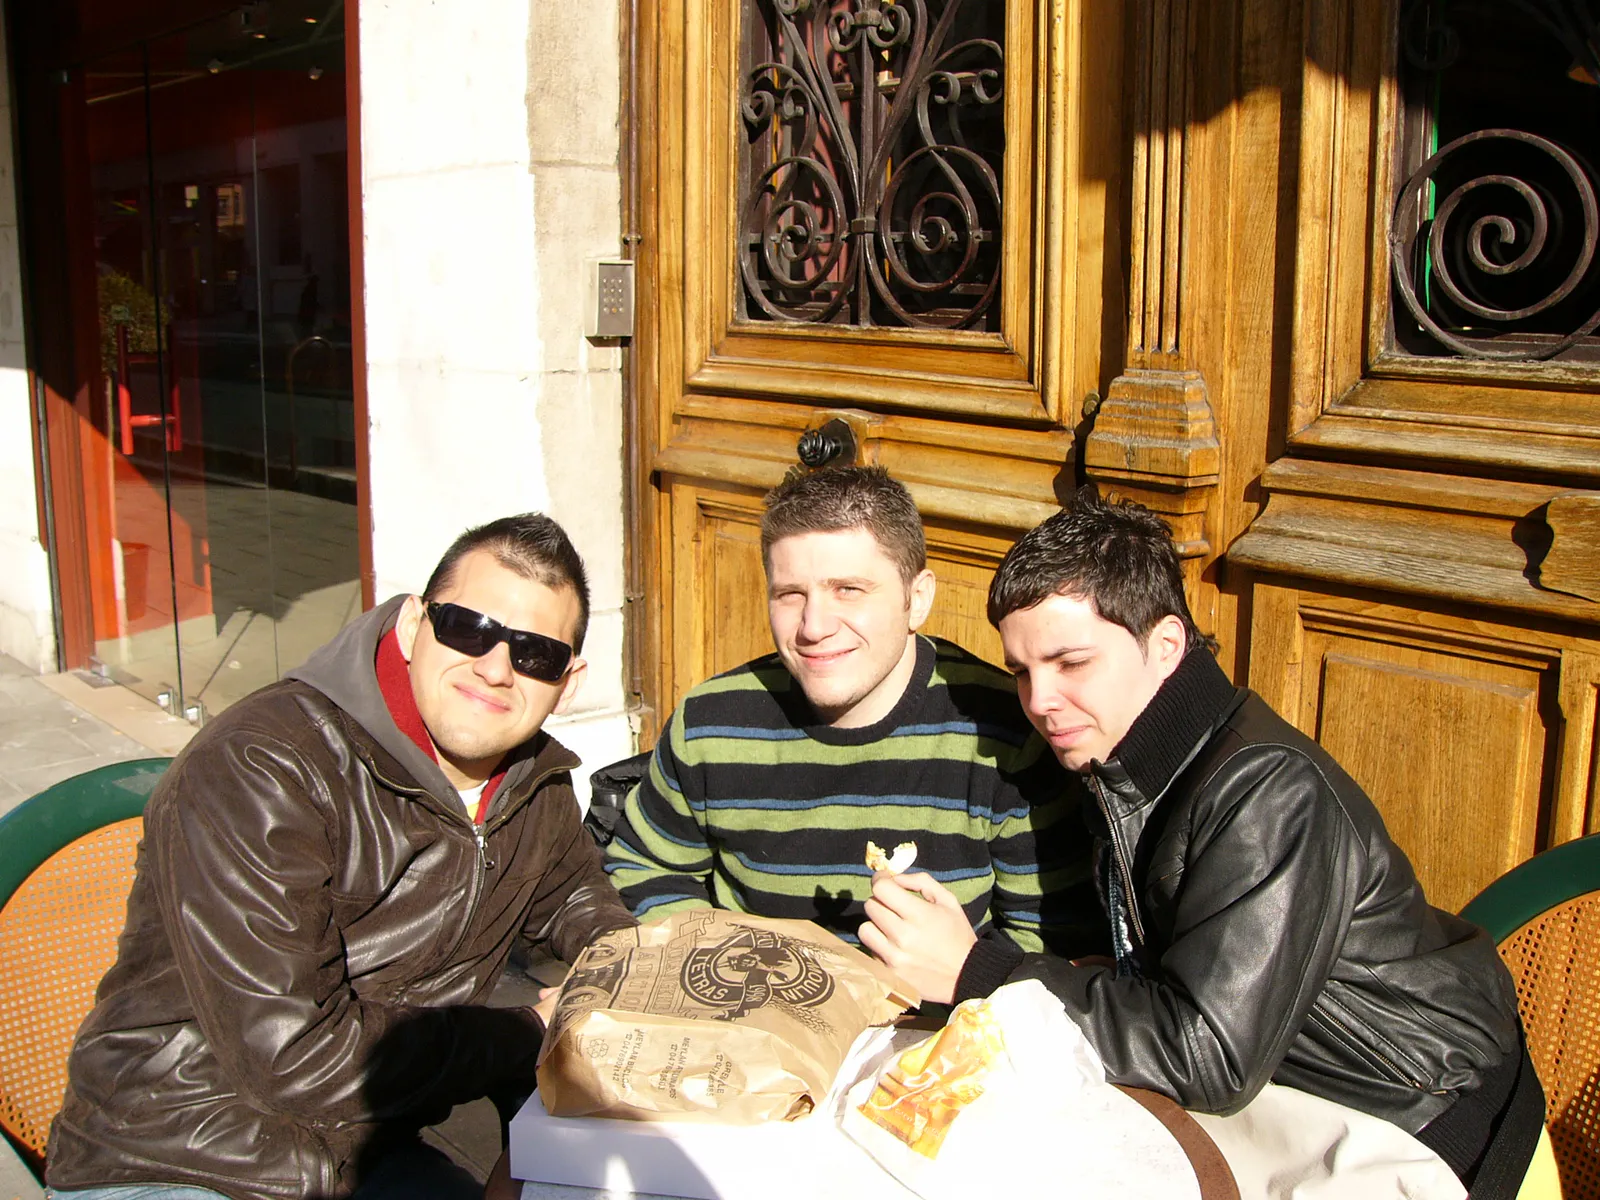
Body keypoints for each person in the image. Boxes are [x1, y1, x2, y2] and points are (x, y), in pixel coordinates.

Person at [865, 487, 1540, 1195]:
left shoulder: (1269, 793)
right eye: (1022, 672)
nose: (1039, 701)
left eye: (1071, 663)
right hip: (1282, 1104)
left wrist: (979, 973)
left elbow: (1205, 1053)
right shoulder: (1123, 758)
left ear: (1165, 646)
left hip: (1417, 1123)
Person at [47, 514, 638, 1200]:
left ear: (568, 679)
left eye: (534, 653)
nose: (496, 668)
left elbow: (576, 902)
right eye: (467, 628)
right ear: (415, 626)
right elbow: (293, 1058)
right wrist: (532, 1032)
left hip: (367, 1148)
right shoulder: (265, 766)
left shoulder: (529, 780)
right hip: (185, 1155)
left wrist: (648, 976)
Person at [604, 466, 1099, 1005]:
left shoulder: (1005, 732)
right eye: (791, 594)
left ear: (918, 598)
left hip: (939, 1048)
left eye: (848, 589)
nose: (814, 626)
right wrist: (727, 975)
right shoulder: (710, 725)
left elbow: (1053, 940)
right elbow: (643, 871)